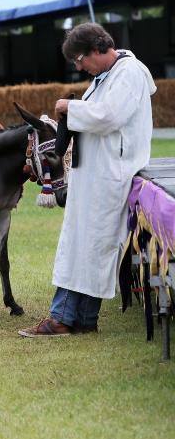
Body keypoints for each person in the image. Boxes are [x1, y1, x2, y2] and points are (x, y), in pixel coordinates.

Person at [19, 22, 157, 337]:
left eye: (80, 59)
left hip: (110, 173)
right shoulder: (106, 76)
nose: (79, 66)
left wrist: (70, 106)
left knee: (88, 247)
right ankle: (80, 319)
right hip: (96, 173)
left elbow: (109, 116)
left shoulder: (129, 73)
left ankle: (63, 318)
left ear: (98, 48)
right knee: (83, 246)